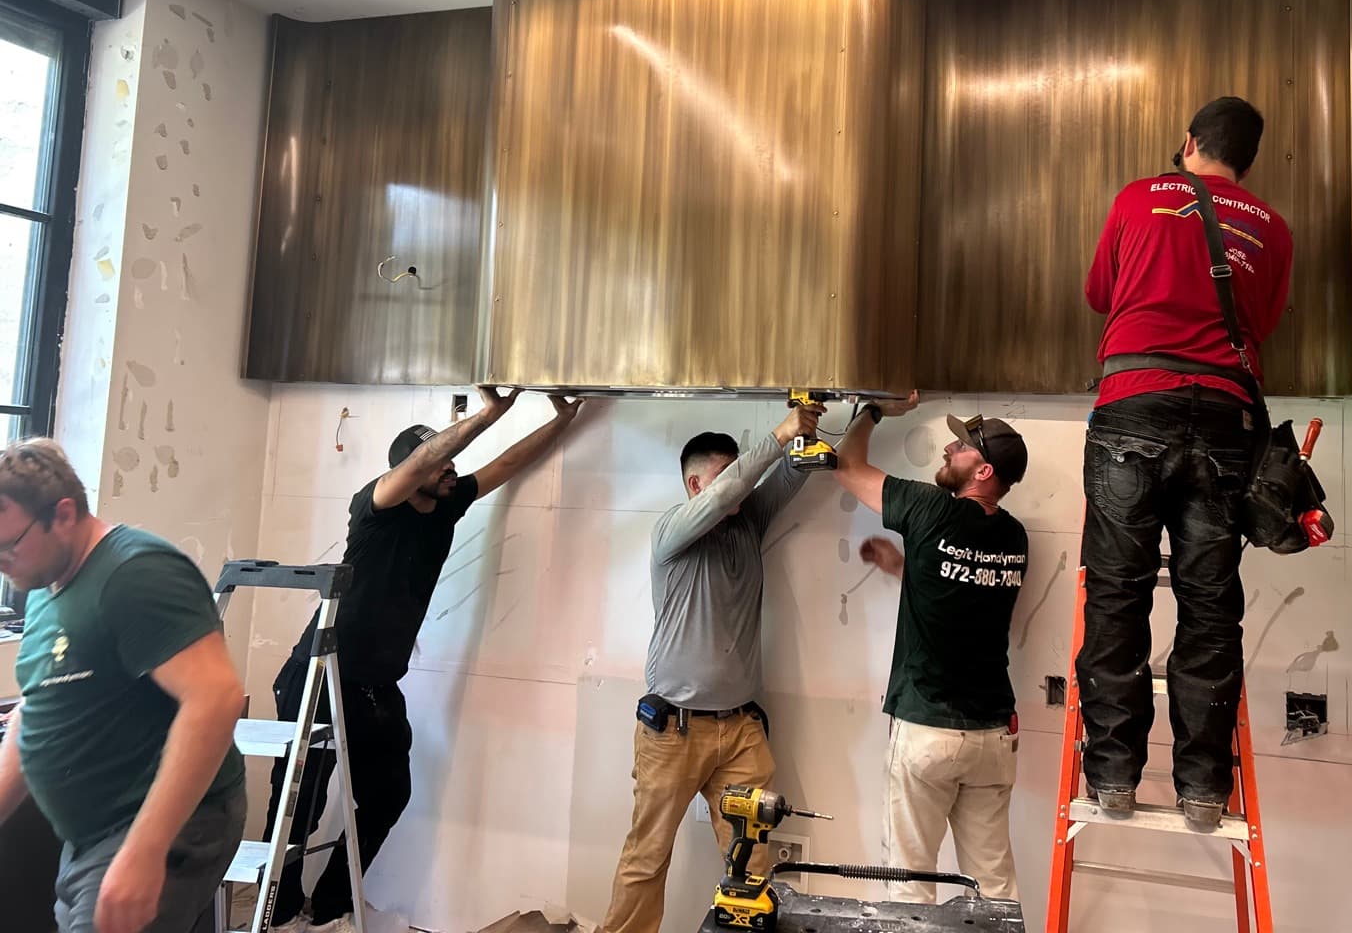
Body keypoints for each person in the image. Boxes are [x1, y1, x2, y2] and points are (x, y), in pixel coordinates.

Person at [267, 388, 585, 933]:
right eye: (440, 463)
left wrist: (564, 419)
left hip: (376, 686)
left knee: (388, 794)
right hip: (322, 674)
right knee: (300, 803)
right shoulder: (376, 507)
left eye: (450, 464)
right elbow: (421, 463)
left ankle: (327, 909)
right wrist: (489, 414)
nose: (450, 471)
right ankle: (276, 915)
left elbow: (506, 464)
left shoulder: (445, 505)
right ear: (411, 472)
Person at [1079, 95, 1293, 828]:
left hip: (1134, 402)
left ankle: (1111, 778)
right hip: (1226, 419)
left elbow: (1101, 294)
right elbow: (1257, 326)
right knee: (1210, 604)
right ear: (1248, 158)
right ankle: (1203, 789)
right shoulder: (1273, 228)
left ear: (1189, 140)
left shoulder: (1141, 197)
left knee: (1116, 594)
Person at [0, 438, 247, 933]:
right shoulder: (49, 582)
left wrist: (145, 851)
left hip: (162, 829)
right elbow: (40, 704)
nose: (2, 561)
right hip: (93, 836)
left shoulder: (136, 572)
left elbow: (216, 698)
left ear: (64, 514)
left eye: (9, 544)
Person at [603, 399, 825, 933]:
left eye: (741, 479)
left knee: (751, 864)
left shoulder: (748, 524)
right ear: (696, 486)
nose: (741, 490)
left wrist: (854, 417)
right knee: (646, 859)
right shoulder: (670, 534)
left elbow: (798, 470)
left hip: (741, 730)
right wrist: (777, 434)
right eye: (726, 479)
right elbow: (735, 487)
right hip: (672, 733)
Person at [832, 391, 1030, 904]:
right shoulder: (1014, 537)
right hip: (993, 735)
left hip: (929, 730)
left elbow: (847, 466)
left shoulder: (929, 509)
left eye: (960, 447)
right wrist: (903, 566)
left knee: (909, 883)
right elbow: (964, 590)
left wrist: (874, 411)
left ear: (983, 471)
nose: (947, 449)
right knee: (993, 887)